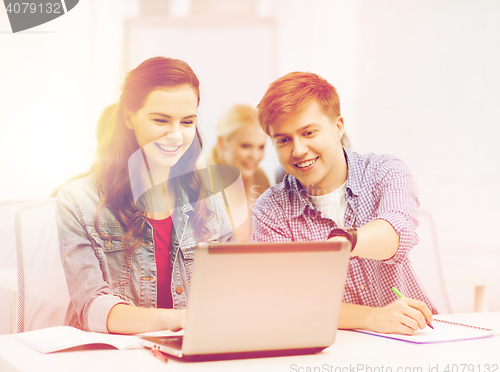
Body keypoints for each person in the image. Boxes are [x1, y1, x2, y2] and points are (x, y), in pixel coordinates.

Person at [56, 57, 235, 335]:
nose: (176, 135)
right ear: (129, 116)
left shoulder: (207, 196)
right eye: (161, 120)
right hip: (110, 361)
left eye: (187, 122)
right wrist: (177, 321)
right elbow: (91, 305)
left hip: (190, 354)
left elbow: (231, 285)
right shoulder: (78, 200)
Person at [251, 71, 437, 335]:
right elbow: (286, 300)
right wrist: (372, 318)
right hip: (334, 349)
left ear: (338, 127)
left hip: (413, 334)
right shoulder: (270, 210)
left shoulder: (385, 171)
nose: (298, 150)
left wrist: (341, 244)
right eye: (283, 139)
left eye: (308, 132)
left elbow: (397, 233)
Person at [209, 104, 270, 242]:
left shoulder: (260, 178)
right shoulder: (196, 180)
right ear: (221, 143)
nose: (255, 156)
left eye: (261, 147)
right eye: (246, 146)